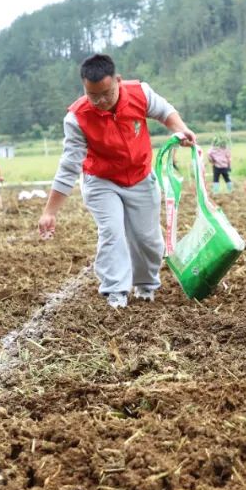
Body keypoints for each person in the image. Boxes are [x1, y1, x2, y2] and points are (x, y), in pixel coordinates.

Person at [38, 53, 196, 309]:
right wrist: (50, 212)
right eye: (93, 96)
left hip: (140, 176)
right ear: (84, 89)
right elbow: (68, 167)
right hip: (101, 181)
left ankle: (146, 284)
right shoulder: (77, 118)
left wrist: (180, 129)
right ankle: (116, 292)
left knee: (147, 238)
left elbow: (166, 112)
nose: (100, 101)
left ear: (118, 81)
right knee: (112, 231)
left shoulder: (140, 93)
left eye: (106, 94)